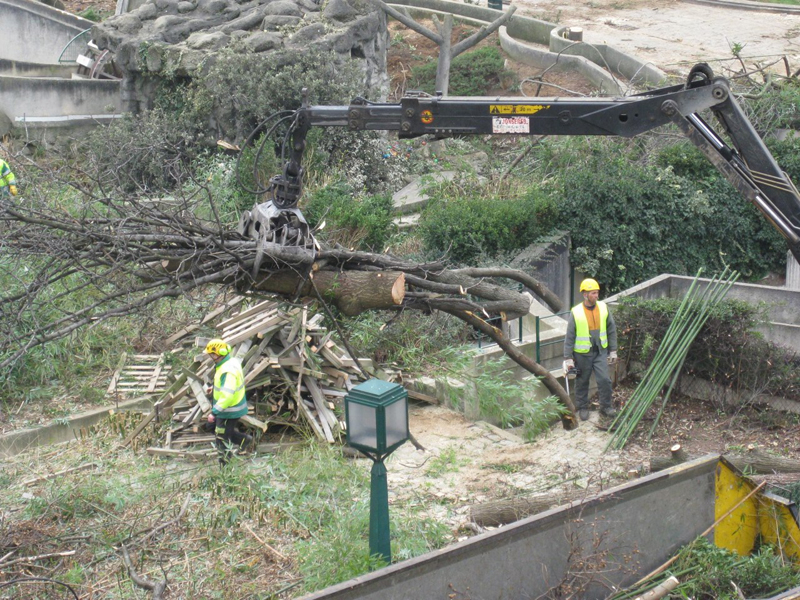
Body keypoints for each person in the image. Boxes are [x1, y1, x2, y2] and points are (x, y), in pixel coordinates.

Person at [563, 278, 618, 421]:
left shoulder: (603, 308)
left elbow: (611, 329)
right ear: (585, 295)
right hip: (582, 354)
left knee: (605, 380)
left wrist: (613, 350)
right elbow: (570, 336)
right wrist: (568, 358)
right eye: (593, 293)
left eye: (597, 293)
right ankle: (582, 407)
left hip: (600, 352)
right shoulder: (576, 312)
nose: (596, 296)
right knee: (582, 381)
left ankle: (606, 407)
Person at [204, 338, 252, 465]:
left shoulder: (227, 370)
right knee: (215, 429)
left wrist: (214, 413)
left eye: (210, 354)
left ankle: (225, 467)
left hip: (229, 409)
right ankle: (244, 440)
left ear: (216, 354)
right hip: (230, 407)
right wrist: (214, 388)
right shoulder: (231, 362)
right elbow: (228, 385)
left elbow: (227, 395)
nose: (210, 357)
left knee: (221, 438)